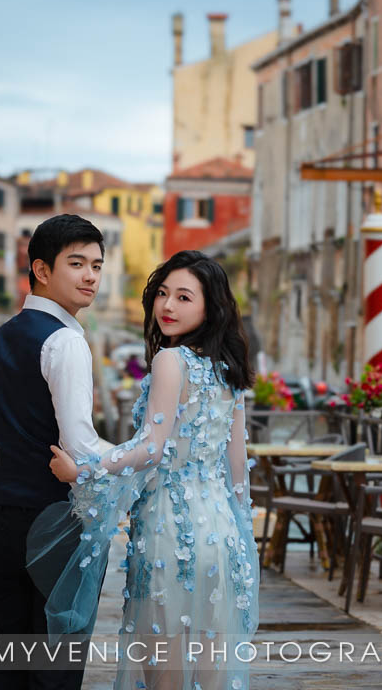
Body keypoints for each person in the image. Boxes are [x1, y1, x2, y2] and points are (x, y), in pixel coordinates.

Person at [31, 250, 259, 690]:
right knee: (210, 668)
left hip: (170, 531)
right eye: (162, 294)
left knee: (163, 671)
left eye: (184, 297)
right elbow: (238, 475)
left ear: (211, 307)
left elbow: (150, 450)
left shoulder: (170, 361)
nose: (168, 306)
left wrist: (84, 469)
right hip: (223, 536)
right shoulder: (231, 372)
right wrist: (244, 544)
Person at [0, 214, 106, 690]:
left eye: (96, 264)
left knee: (10, 666)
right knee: (55, 669)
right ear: (42, 269)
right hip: (54, 523)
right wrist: (140, 460)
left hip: (7, 521)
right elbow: (80, 446)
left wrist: (1, 505)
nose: (90, 275)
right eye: (77, 263)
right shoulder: (66, 341)